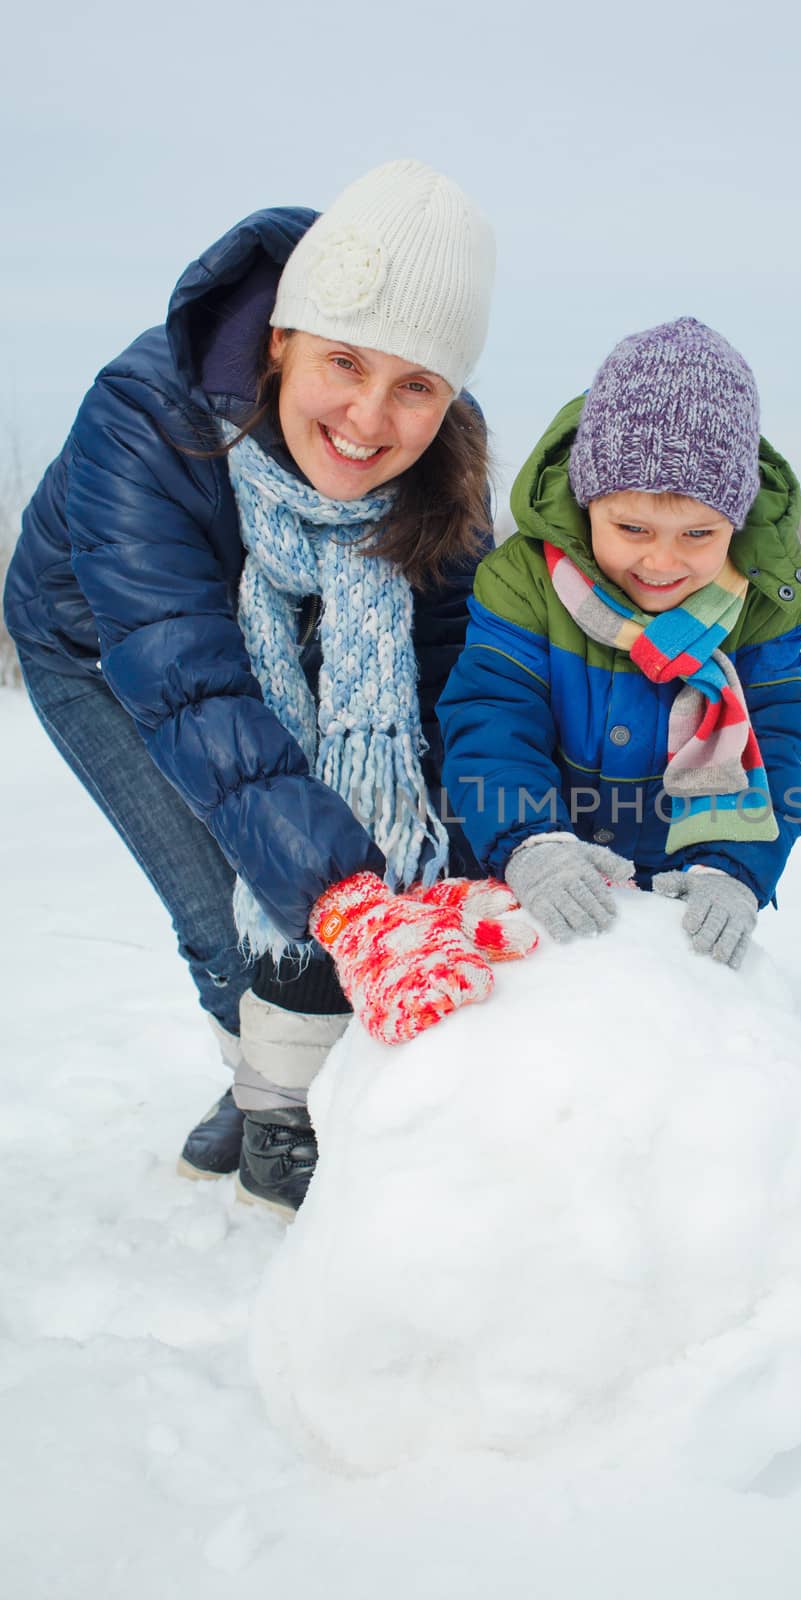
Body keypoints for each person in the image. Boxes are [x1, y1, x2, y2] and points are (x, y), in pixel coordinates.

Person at [4, 159, 516, 1218]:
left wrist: (470, 870)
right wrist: (346, 897)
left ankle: (338, 1078)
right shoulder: (145, 416)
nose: (371, 417)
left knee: (363, 870)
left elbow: (450, 686)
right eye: (344, 361)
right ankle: (269, 1088)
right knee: (225, 896)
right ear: (280, 339)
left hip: (297, 641)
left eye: (417, 383)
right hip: (107, 653)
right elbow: (188, 681)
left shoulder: (444, 476)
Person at [436, 317, 801, 971]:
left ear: (737, 520)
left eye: (698, 535)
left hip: (681, 899)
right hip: (544, 882)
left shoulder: (761, 602)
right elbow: (492, 723)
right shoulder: (524, 582)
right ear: (588, 504)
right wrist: (530, 843)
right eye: (633, 527)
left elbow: (775, 746)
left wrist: (734, 871)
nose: (661, 562)